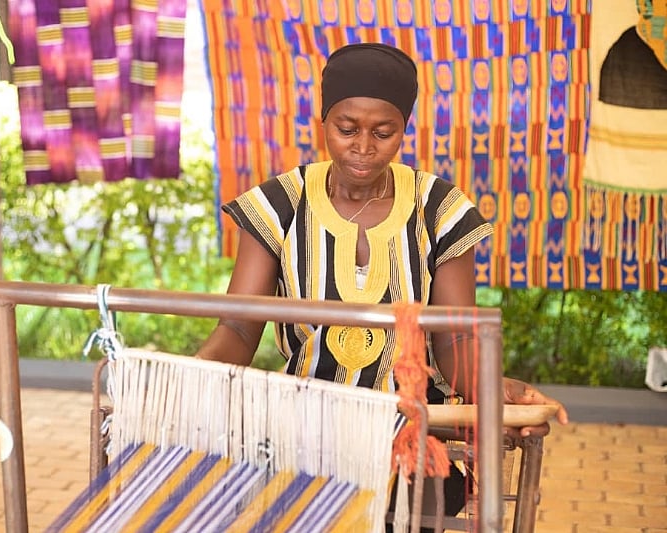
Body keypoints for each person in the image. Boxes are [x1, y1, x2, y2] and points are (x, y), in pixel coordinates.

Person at [195, 42, 568, 523]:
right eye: (347, 129)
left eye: (384, 133)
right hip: (306, 423)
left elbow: (455, 340)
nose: (364, 148)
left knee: (404, 499)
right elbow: (240, 331)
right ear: (324, 120)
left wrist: (494, 390)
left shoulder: (440, 209)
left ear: (404, 131)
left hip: (412, 430)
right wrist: (180, 383)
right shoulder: (279, 205)